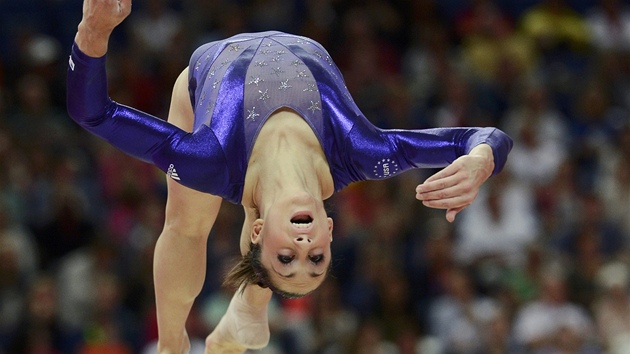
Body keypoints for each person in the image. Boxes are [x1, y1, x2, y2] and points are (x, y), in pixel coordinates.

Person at [66, 0, 512, 353]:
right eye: (315, 260)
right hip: (294, 68)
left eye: (286, 260)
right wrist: (483, 160)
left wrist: (93, 32)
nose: (302, 251)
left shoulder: (210, 161)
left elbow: (93, 113)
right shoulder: (360, 152)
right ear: (330, 231)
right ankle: (250, 308)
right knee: (251, 209)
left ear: (257, 233)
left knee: (187, 224)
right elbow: (480, 136)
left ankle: (172, 345)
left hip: (200, 87)